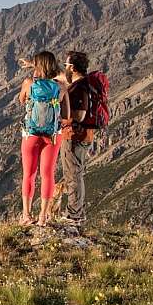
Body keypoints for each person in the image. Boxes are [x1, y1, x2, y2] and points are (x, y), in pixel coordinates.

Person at [17, 51, 70, 226]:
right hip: (52, 136)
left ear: (37, 65)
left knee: (29, 174)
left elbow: (22, 100)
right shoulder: (61, 87)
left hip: (31, 134)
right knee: (47, 174)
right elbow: (66, 114)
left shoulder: (29, 83)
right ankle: (43, 217)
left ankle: (26, 215)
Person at [59, 51, 94, 225]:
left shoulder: (80, 88)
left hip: (75, 136)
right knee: (73, 174)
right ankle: (75, 212)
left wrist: (60, 116)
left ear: (72, 67)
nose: (65, 69)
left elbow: (79, 116)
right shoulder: (81, 84)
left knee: (73, 175)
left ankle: (74, 215)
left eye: (66, 66)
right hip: (78, 136)